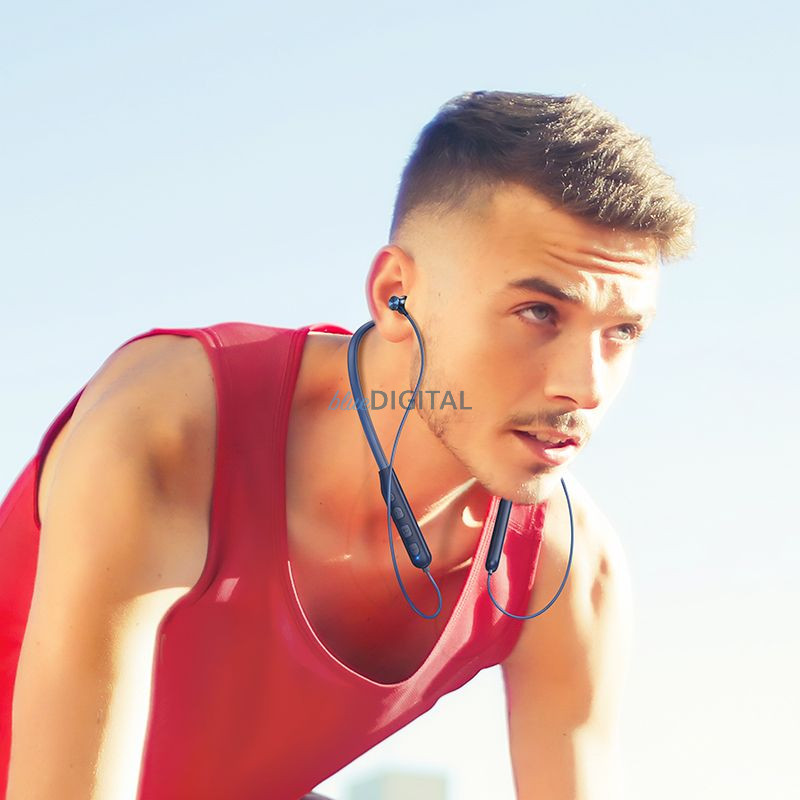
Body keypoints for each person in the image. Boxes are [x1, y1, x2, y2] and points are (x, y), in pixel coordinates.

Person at [0, 90, 694, 799]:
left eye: (622, 332)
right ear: (397, 295)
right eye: (539, 312)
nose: (585, 387)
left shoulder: (563, 567)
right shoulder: (173, 430)